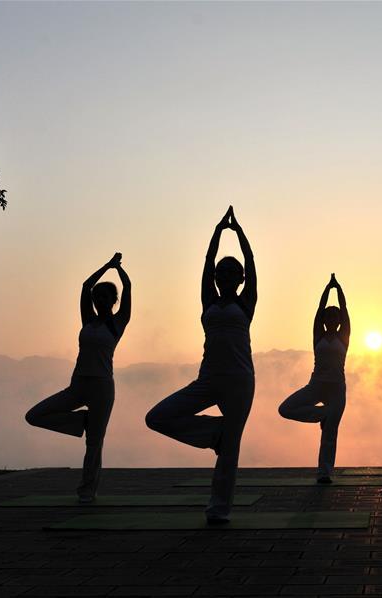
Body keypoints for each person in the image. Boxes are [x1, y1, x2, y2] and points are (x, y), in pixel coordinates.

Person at [146, 206, 256, 524]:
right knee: (158, 417)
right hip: (208, 378)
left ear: (241, 279)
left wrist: (239, 233)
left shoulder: (245, 303)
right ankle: (214, 434)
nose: (224, 277)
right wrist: (218, 232)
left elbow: (251, 262)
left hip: (239, 379)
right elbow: (207, 266)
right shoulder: (209, 300)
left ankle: (218, 510)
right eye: (222, 274)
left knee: (231, 449)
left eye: (231, 274)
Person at [26, 253, 131, 502]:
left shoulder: (118, 323)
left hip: (102, 387)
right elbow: (85, 286)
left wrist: (118, 270)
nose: (100, 300)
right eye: (97, 297)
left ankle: (87, 492)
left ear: (114, 301)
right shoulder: (88, 320)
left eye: (105, 297)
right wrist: (106, 266)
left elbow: (127, 287)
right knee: (35, 415)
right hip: (78, 384)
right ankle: (80, 422)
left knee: (94, 443)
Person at [278, 274, 350, 483]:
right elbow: (318, 312)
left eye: (334, 318)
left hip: (337, 388)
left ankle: (324, 473)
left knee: (330, 434)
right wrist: (328, 289)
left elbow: (345, 312)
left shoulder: (343, 337)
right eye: (328, 318)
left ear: (338, 322)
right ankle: (322, 414)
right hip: (316, 385)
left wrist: (339, 290)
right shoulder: (317, 335)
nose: (331, 320)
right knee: (286, 409)